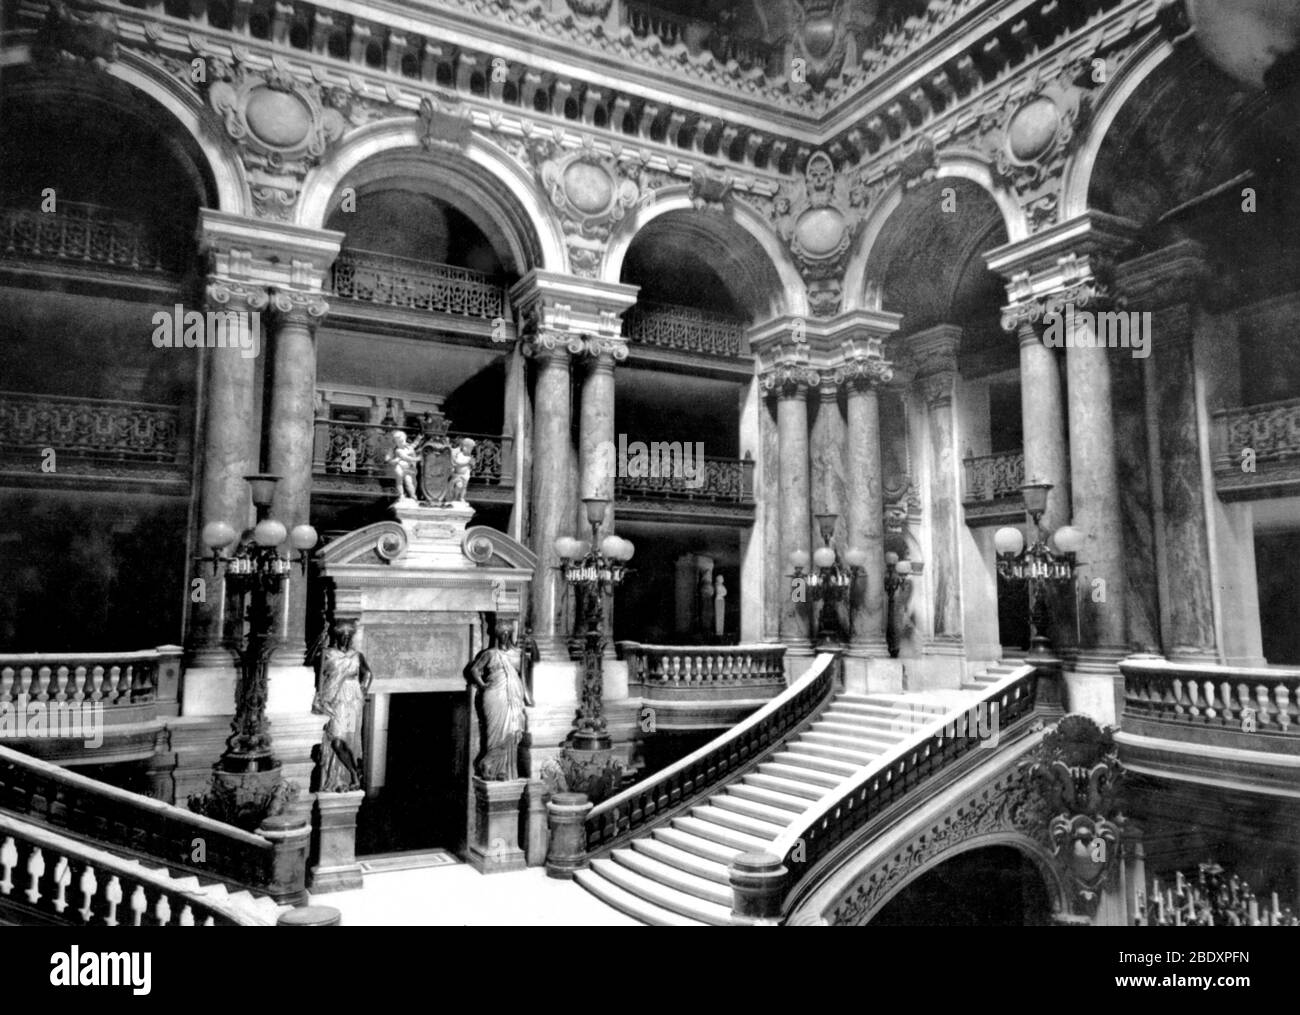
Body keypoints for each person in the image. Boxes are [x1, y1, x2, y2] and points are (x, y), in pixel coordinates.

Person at [465, 620, 533, 781]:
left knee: (513, 730)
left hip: (514, 696)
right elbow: (474, 670)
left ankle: (503, 771)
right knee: (494, 734)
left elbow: (523, 677)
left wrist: (527, 698)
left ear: (510, 634)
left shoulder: (519, 654)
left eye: (506, 633)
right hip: (494, 696)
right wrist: (482, 685)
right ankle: (489, 766)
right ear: (497, 635)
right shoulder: (490, 654)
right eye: (500, 634)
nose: (503, 636)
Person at [313, 620, 372, 793]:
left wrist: (363, 690)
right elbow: (320, 680)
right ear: (336, 636)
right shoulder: (328, 654)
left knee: (348, 739)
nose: (345, 639)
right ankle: (354, 773)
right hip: (335, 701)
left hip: (352, 702)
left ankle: (349, 776)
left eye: (348, 636)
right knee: (336, 741)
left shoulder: (357, 655)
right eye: (342, 636)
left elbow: (367, 673)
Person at [385, 430, 420, 503]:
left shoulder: (408, 447)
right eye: (399, 441)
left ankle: (413, 496)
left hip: (408, 469)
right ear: (396, 442)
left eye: (403, 441)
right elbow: (388, 459)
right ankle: (401, 495)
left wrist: (418, 438)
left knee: (409, 482)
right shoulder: (395, 449)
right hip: (398, 467)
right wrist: (396, 460)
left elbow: (414, 445)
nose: (402, 443)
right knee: (399, 481)